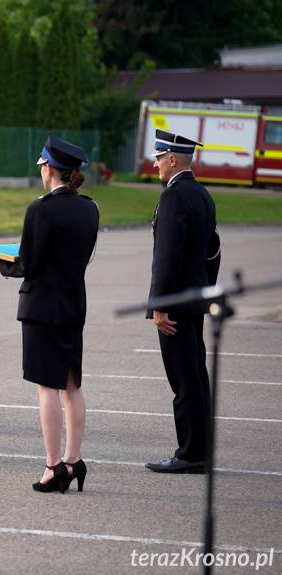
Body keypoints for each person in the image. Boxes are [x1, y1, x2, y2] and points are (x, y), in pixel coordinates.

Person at [0, 136, 99, 493]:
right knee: (72, 385)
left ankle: (53, 465)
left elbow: (30, 262)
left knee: (47, 388)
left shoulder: (40, 209)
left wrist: (2, 262)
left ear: (51, 168)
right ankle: (74, 461)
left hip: (42, 306)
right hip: (74, 303)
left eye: (41, 165)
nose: (40, 171)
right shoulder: (90, 208)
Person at [145, 130, 220, 474]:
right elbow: (213, 251)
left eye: (159, 157)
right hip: (194, 300)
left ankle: (190, 454)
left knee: (184, 381)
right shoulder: (202, 194)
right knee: (195, 376)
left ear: (173, 160)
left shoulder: (174, 197)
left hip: (174, 304)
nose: (156, 163)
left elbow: (167, 256)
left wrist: (159, 305)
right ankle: (200, 450)